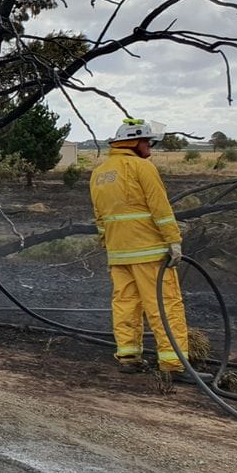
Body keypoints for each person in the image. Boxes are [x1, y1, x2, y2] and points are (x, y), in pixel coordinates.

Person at [90, 118, 201, 382]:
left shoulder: (100, 172)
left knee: (125, 303)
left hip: (118, 252)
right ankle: (173, 365)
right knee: (165, 305)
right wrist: (173, 240)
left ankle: (128, 357)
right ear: (134, 142)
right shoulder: (142, 168)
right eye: (147, 142)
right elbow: (160, 207)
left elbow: (99, 215)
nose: (149, 147)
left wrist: (109, 242)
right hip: (149, 251)